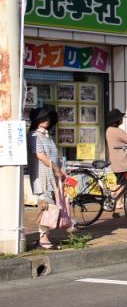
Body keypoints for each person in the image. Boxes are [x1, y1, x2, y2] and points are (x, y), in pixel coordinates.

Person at [28, 107, 65, 250]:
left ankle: (44, 237)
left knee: (49, 206)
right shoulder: (34, 136)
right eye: (44, 118)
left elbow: (52, 156)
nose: (47, 121)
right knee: (46, 206)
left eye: (49, 118)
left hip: (51, 176)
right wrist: (57, 170)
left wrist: (59, 170)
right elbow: (41, 156)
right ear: (37, 120)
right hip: (42, 176)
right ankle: (43, 238)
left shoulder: (47, 136)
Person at [105, 109, 127, 217]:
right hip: (123, 163)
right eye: (120, 118)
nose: (122, 119)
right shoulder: (118, 131)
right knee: (123, 183)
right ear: (117, 120)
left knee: (120, 181)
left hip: (116, 162)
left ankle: (118, 202)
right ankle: (113, 199)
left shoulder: (108, 130)